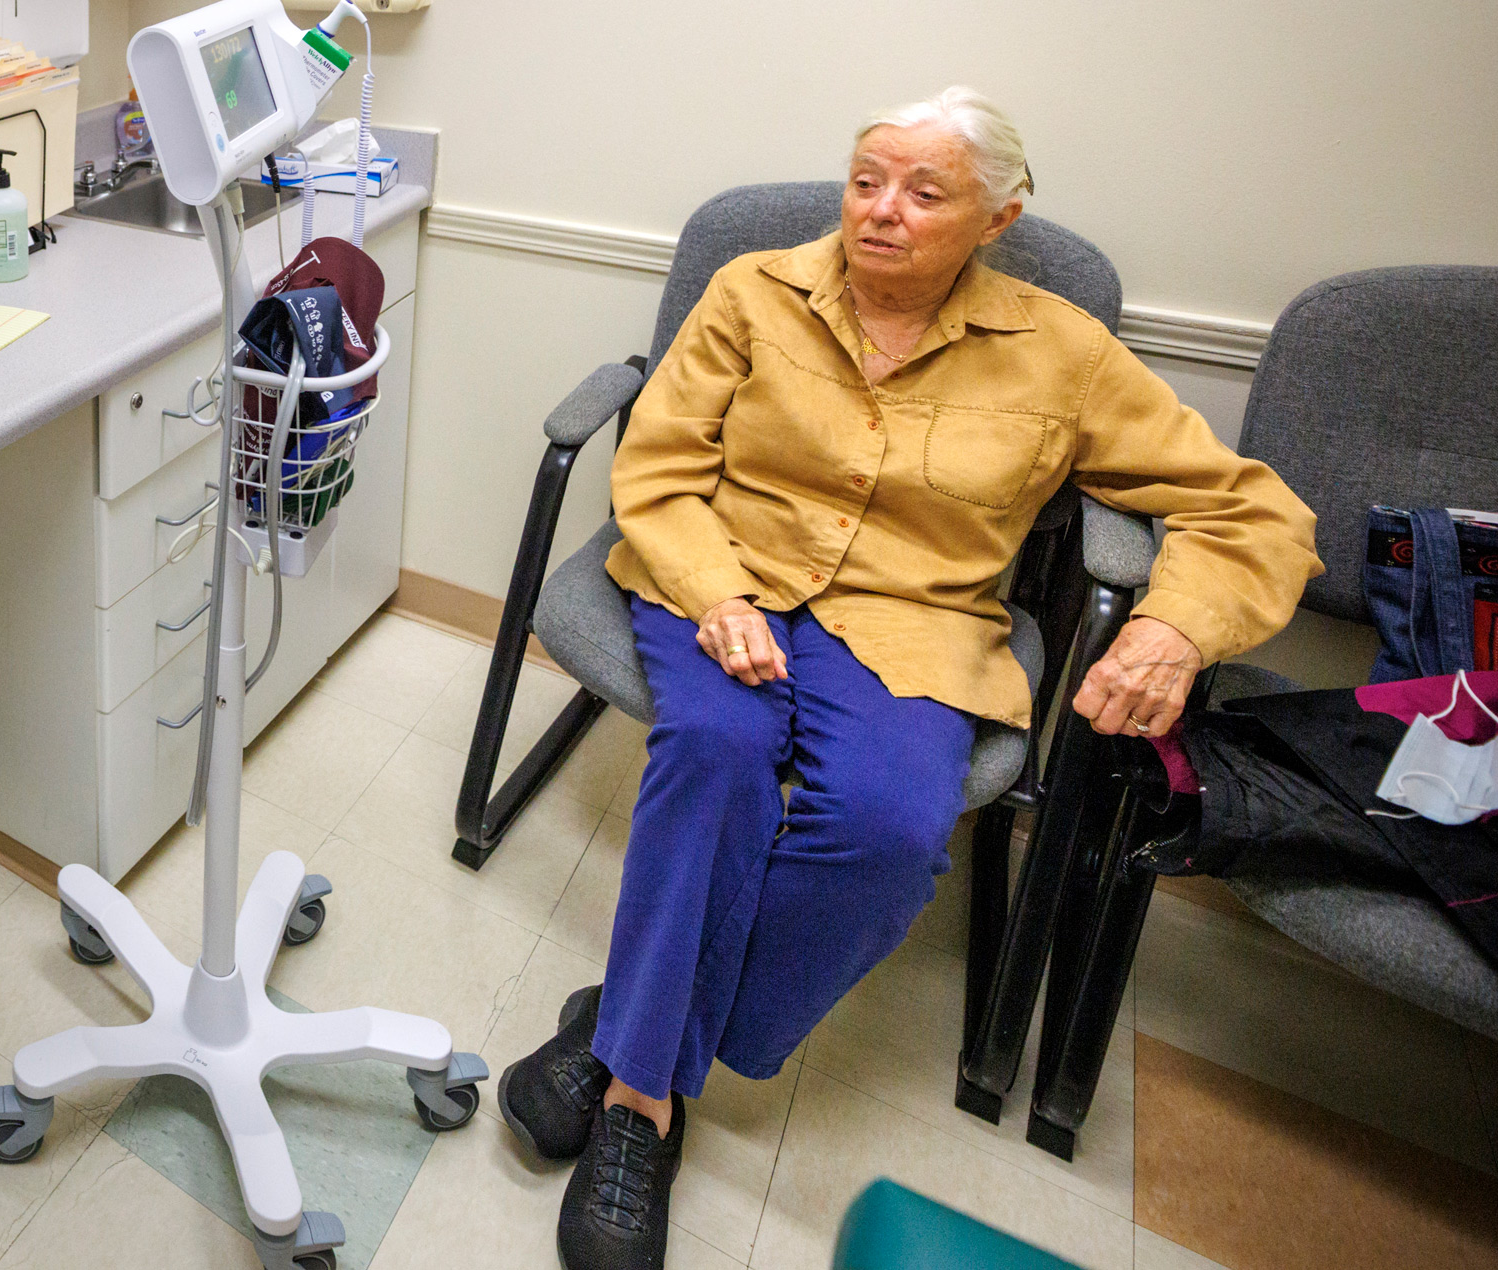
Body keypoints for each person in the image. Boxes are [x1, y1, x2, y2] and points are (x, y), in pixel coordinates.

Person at [497, 88, 1320, 1270]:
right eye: (864, 180)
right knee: (715, 755)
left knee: (886, 836)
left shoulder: (1061, 350)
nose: (880, 211)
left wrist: (1175, 628)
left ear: (996, 218)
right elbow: (662, 464)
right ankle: (640, 1103)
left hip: (914, 618)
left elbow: (1246, 507)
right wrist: (716, 594)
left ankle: (620, 1021)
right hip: (721, 575)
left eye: (923, 192)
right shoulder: (752, 293)